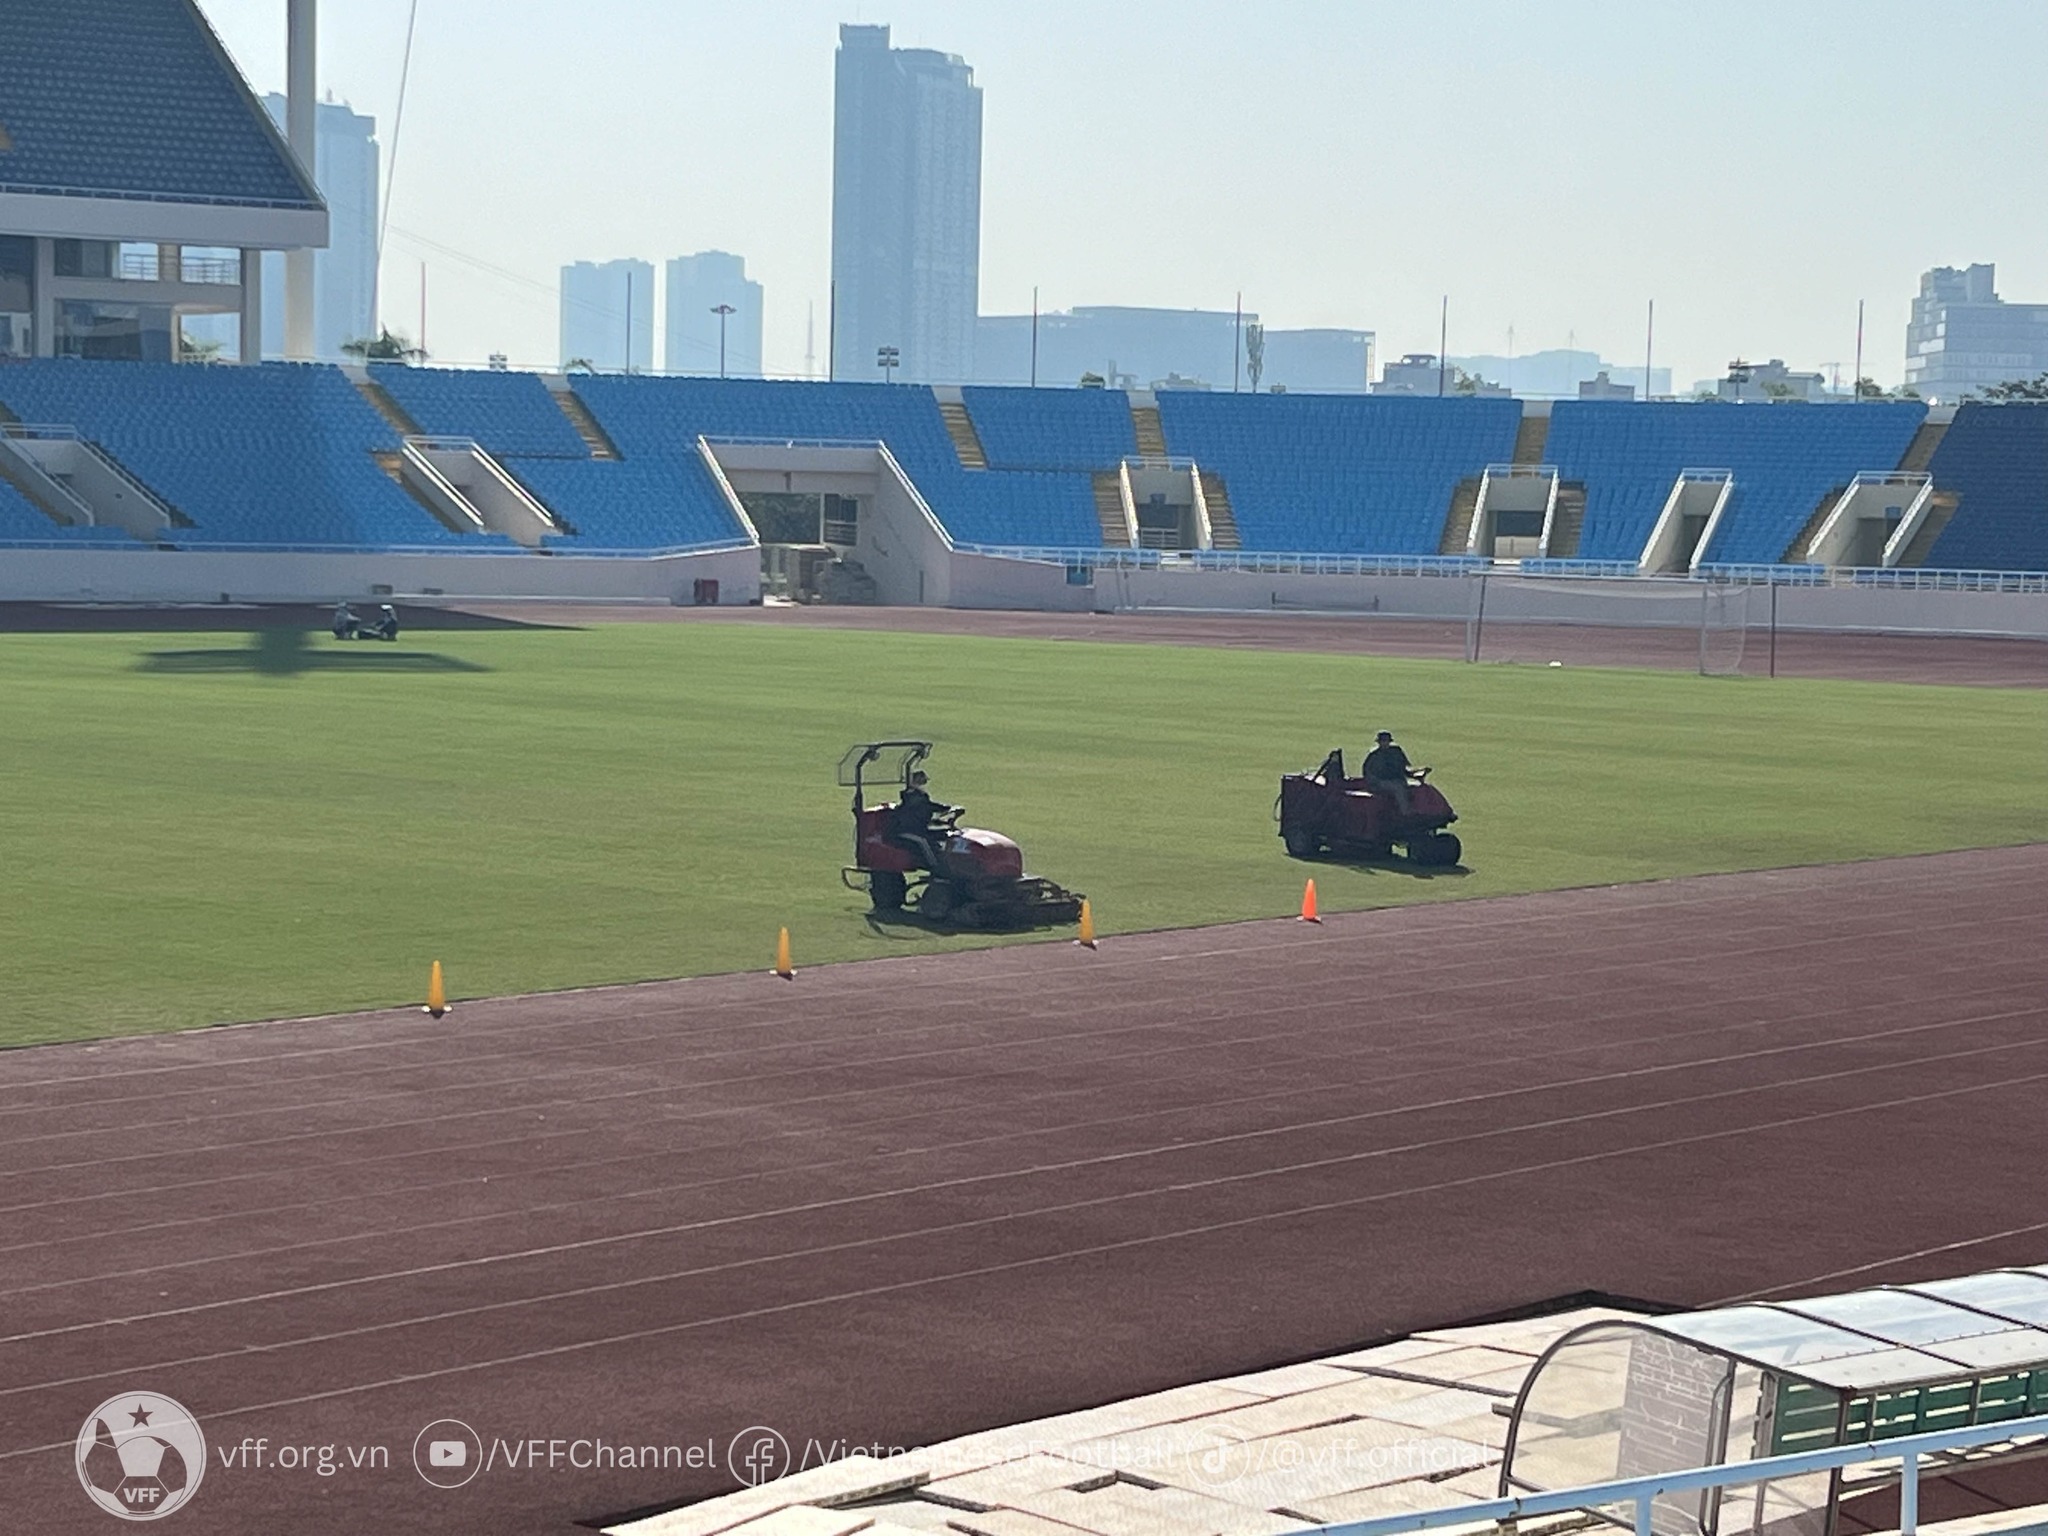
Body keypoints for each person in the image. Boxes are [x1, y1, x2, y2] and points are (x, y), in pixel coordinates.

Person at [887, 770, 956, 872]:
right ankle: (935, 866)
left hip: (919, 828)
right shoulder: (912, 798)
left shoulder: (920, 796)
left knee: (946, 837)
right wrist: (944, 808)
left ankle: (947, 862)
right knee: (923, 842)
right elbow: (927, 807)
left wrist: (944, 818)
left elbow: (925, 814)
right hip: (906, 831)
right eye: (921, 781)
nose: (923, 784)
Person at [1363, 730, 1418, 816]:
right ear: (1379, 742)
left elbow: (1404, 768)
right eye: (1383, 741)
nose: (1385, 743)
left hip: (1398, 780)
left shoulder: (1396, 752)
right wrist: (1376, 782)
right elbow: (1368, 773)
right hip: (1380, 782)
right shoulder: (1374, 755)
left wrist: (1415, 773)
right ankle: (1406, 812)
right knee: (1398, 788)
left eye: (1386, 741)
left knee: (1415, 787)